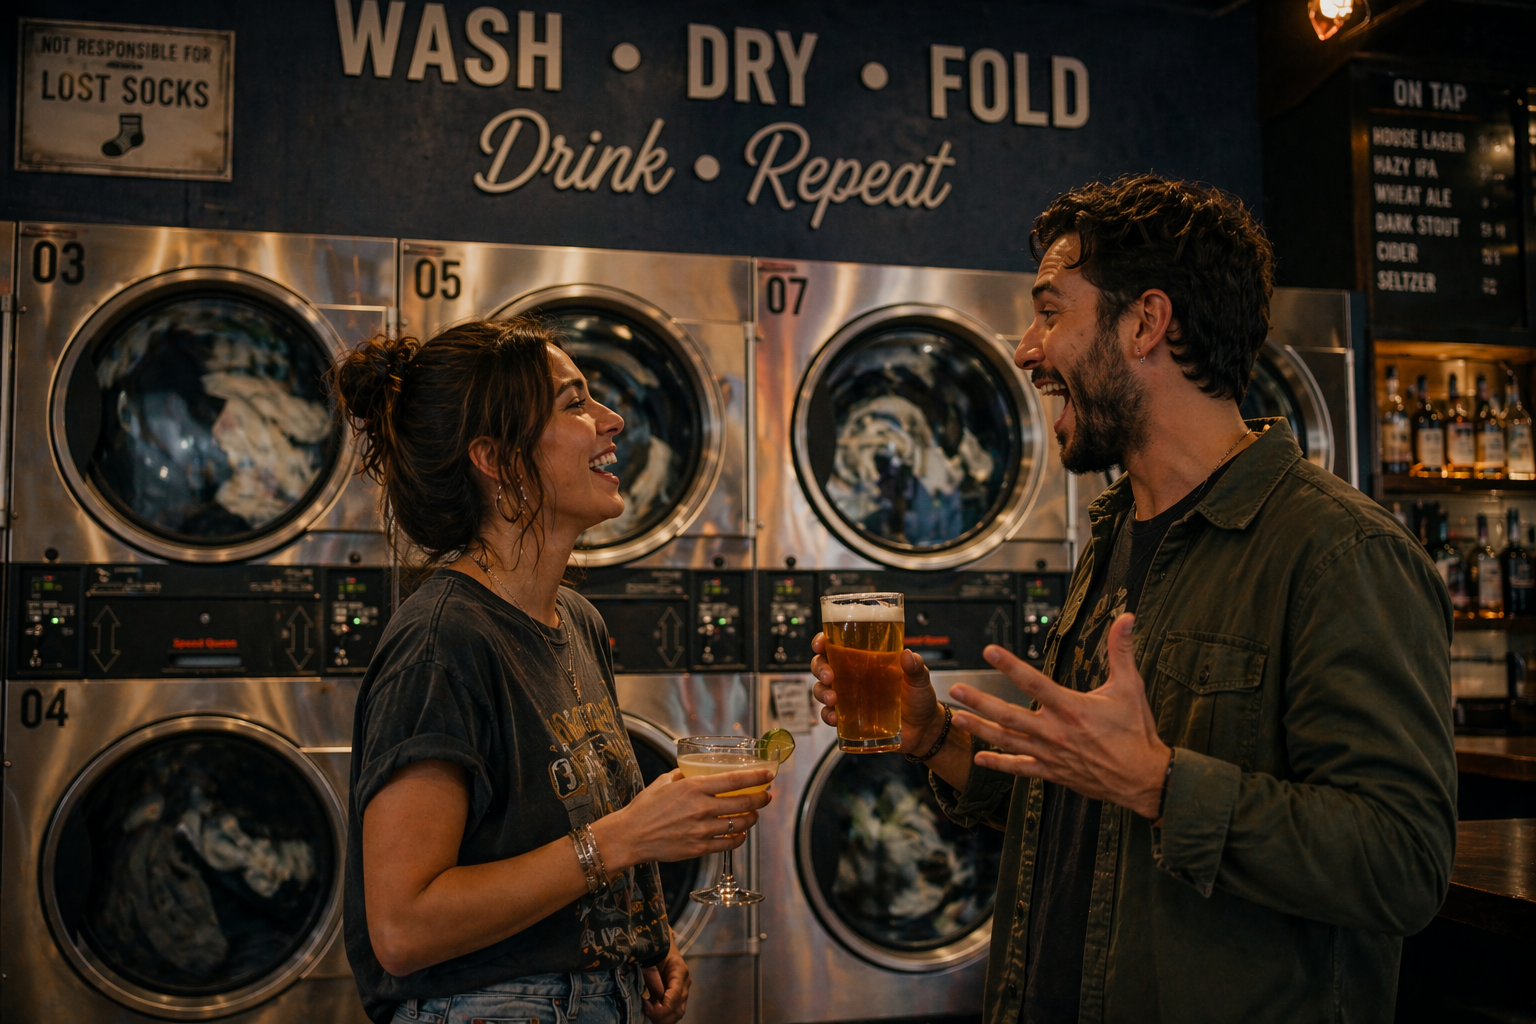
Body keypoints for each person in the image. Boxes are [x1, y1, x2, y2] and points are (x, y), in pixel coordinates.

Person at [811, 175, 1456, 1023]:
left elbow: (1403, 864)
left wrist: (1163, 785)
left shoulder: (1342, 553)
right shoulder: (1116, 537)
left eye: (1051, 312)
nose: (1026, 350)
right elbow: (1086, 813)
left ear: (1146, 323)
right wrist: (934, 738)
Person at [331, 318, 772, 1024]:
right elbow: (404, 929)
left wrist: (638, 942)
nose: (612, 420)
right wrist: (629, 835)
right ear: (498, 460)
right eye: (575, 403)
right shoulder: (442, 641)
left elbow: (560, 838)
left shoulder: (575, 620)